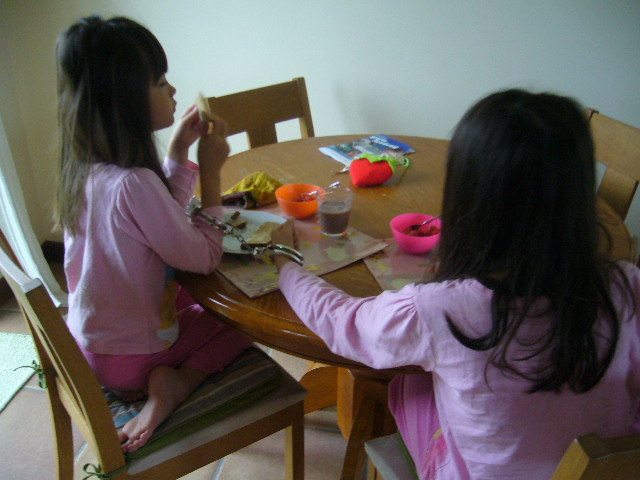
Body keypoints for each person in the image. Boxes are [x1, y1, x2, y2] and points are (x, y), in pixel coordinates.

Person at [271, 89, 640, 479]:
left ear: (468, 198)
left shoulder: (438, 309)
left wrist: (285, 262)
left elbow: (342, 321)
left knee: (407, 382)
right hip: (603, 471)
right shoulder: (628, 285)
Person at [55, 16, 252, 453]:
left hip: (91, 343)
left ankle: (162, 374)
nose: (173, 90)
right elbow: (203, 258)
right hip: (133, 360)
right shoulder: (134, 182)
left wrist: (179, 151)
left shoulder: (86, 168)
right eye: (160, 82)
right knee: (245, 319)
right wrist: (212, 174)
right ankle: (177, 385)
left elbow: (156, 221)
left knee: (190, 297)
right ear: (125, 99)